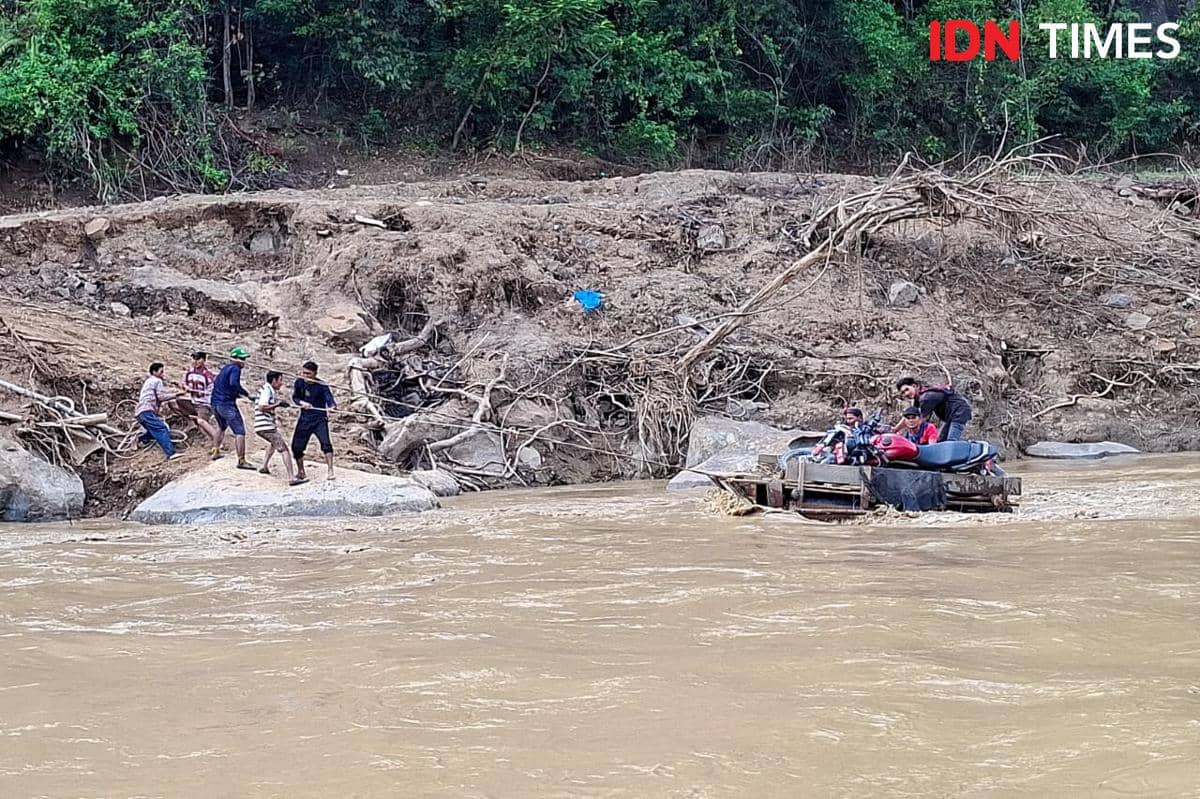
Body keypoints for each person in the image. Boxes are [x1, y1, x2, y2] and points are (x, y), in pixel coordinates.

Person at [254, 371, 306, 486]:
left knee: (273, 443)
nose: (281, 383)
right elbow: (262, 407)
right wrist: (277, 405)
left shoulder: (267, 389)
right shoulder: (267, 390)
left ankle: (264, 466)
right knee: (284, 449)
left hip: (263, 425)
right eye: (280, 380)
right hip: (265, 426)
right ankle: (291, 478)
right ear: (274, 380)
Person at [210, 346, 256, 470]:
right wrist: (246, 394)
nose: (244, 361)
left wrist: (235, 394)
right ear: (235, 359)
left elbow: (222, 385)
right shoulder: (235, 368)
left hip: (215, 403)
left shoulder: (225, 368)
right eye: (242, 359)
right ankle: (241, 460)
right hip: (226, 404)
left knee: (221, 426)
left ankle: (215, 451)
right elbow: (233, 383)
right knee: (239, 431)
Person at [292, 360, 337, 481]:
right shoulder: (299, 382)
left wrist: (332, 407)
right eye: (304, 373)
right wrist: (302, 403)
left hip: (319, 419)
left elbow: (330, 399)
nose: (305, 376)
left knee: (326, 444)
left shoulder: (322, 385)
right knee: (297, 447)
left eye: (308, 374)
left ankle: (330, 470)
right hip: (305, 419)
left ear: (315, 373)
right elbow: (295, 397)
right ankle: (301, 471)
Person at [895, 376, 973, 442]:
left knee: (951, 440)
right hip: (951, 416)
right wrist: (895, 429)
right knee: (941, 440)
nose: (906, 394)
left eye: (907, 389)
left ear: (915, 386)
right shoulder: (919, 398)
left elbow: (919, 420)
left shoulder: (926, 397)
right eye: (903, 393)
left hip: (959, 411)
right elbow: (910, 415)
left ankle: (957, 457)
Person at [134, 362, 185, 461]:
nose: (163, 374)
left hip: (141, 412)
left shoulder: (149, 381)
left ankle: (139, 438)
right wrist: (177, 394)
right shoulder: (157, 381)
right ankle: (171, 453)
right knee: (162, 429)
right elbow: (161, 397)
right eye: (161, 372)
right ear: (154, 372)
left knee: (154, 431)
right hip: (147, 410)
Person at [181, 350, 220, 452]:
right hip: (193, 401)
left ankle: (217, 441)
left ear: (204, 360)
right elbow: (184, 383)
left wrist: (196, 391)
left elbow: (212, 391)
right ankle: (191, 421)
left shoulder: (208, 375)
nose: (195, 361)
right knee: (174, 403)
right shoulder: (189, 372)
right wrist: (186, 388)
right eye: (194, 359)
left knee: (201, 422)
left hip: (204, 403)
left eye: (198, 359)